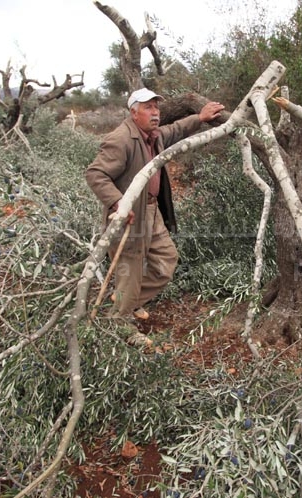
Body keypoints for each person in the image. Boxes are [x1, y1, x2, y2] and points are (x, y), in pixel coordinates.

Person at [85, 88, 224, 346]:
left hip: (151, 210)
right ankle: (120, 326)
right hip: (129, 215)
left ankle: (129, 299)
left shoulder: (153, 135)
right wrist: (118, 204)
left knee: (167, 260)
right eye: (148, 107)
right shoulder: (122, 140)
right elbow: (95, 174)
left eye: (156, 107)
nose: (155, 112)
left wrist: (201, 118)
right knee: (131, 268)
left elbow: (176, 129)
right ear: (133, 112)